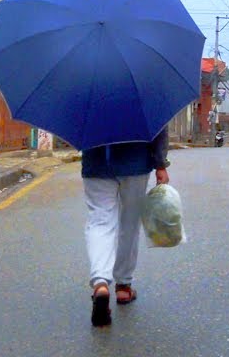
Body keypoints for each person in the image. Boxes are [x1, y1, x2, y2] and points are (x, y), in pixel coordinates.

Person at [81, 126, 170, 328]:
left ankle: (100, 284)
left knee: (99, 221)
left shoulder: (83, 93)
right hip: (134, 160)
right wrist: (160, 164)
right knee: (130, 223)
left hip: (96, 160)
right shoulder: (144, 93)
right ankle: (123, 286)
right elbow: (158, 126)